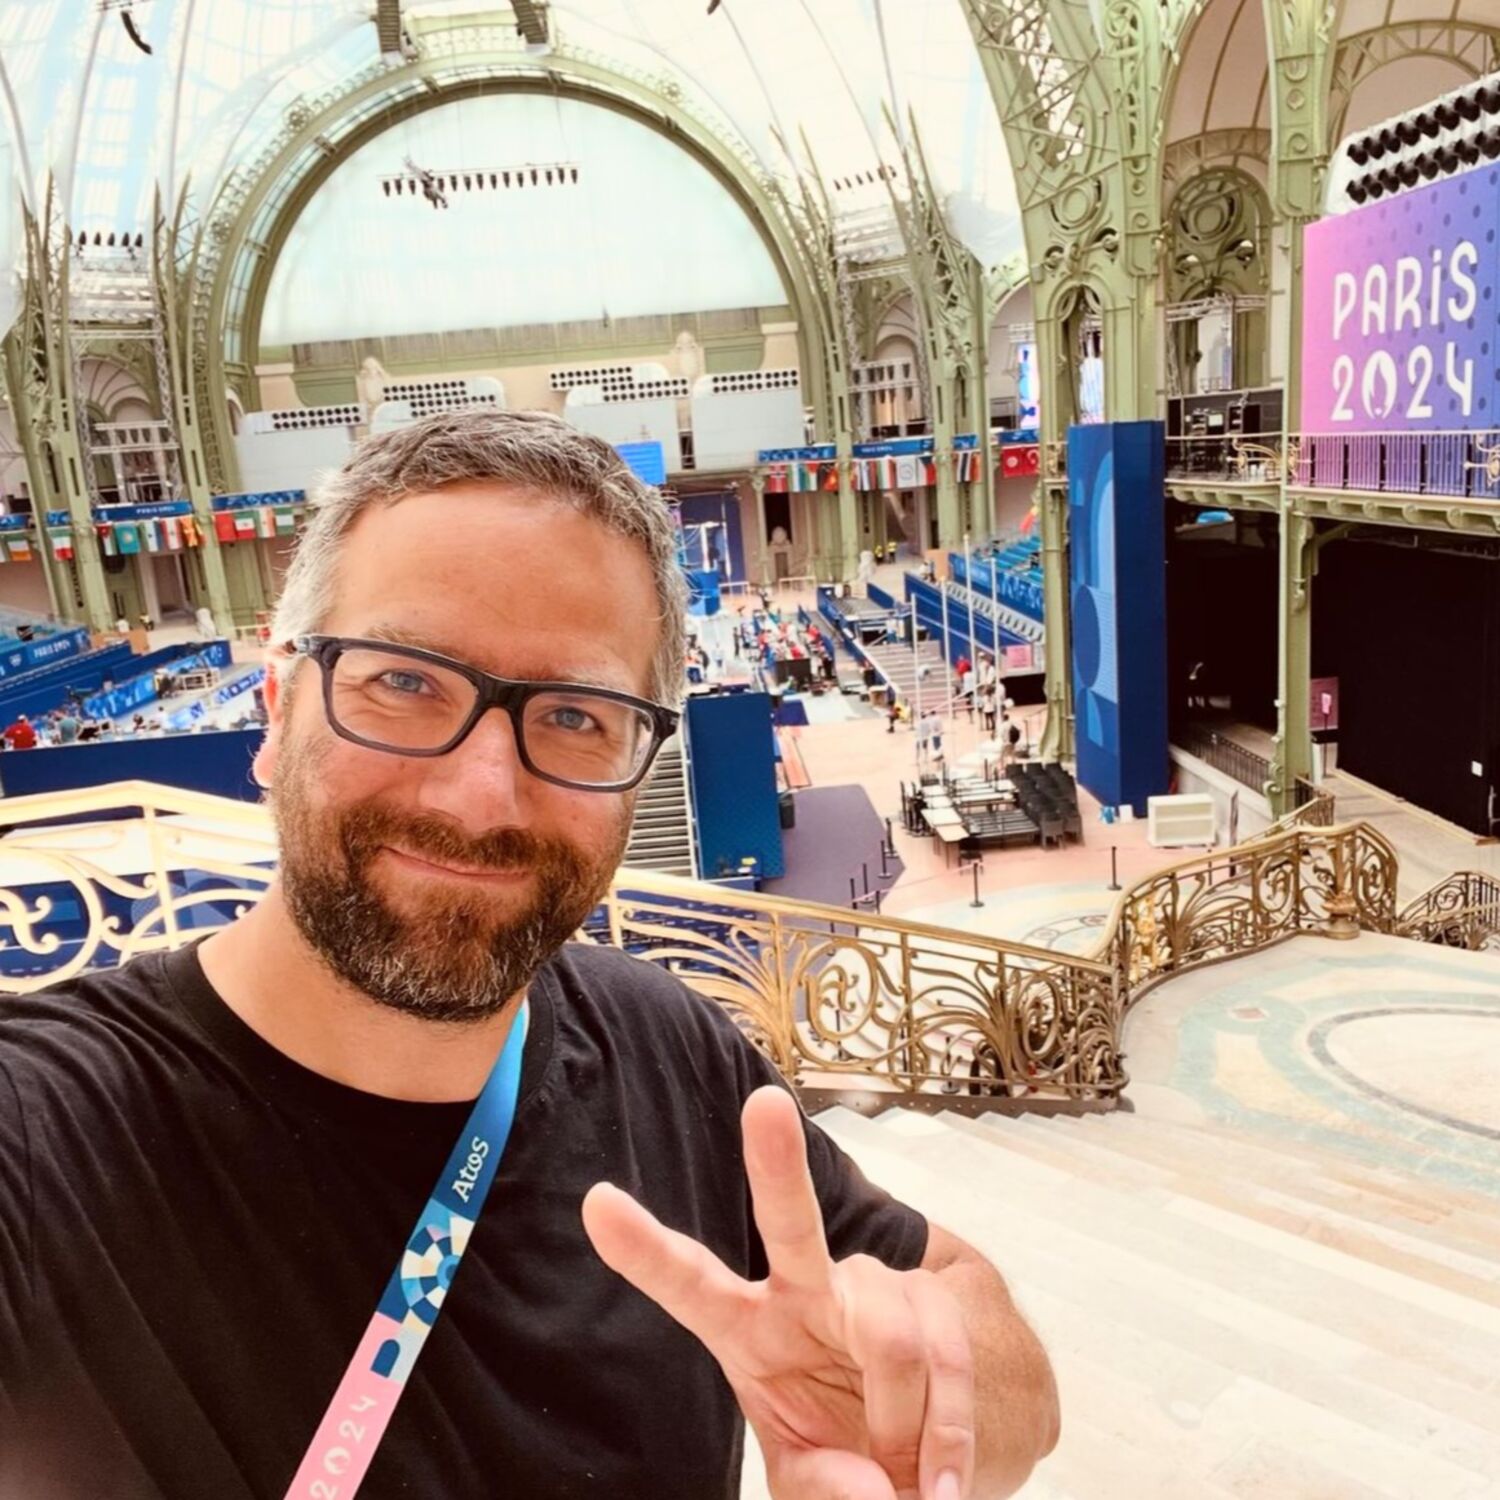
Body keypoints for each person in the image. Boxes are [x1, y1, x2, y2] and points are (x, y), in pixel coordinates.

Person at [0, 410, 1060, 1499]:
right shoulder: (42, 1136)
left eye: (575, 714)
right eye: (403, 682)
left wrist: (930, 1403)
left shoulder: (675, 1050)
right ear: (278, 710)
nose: (482, 795)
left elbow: (993, 1339)